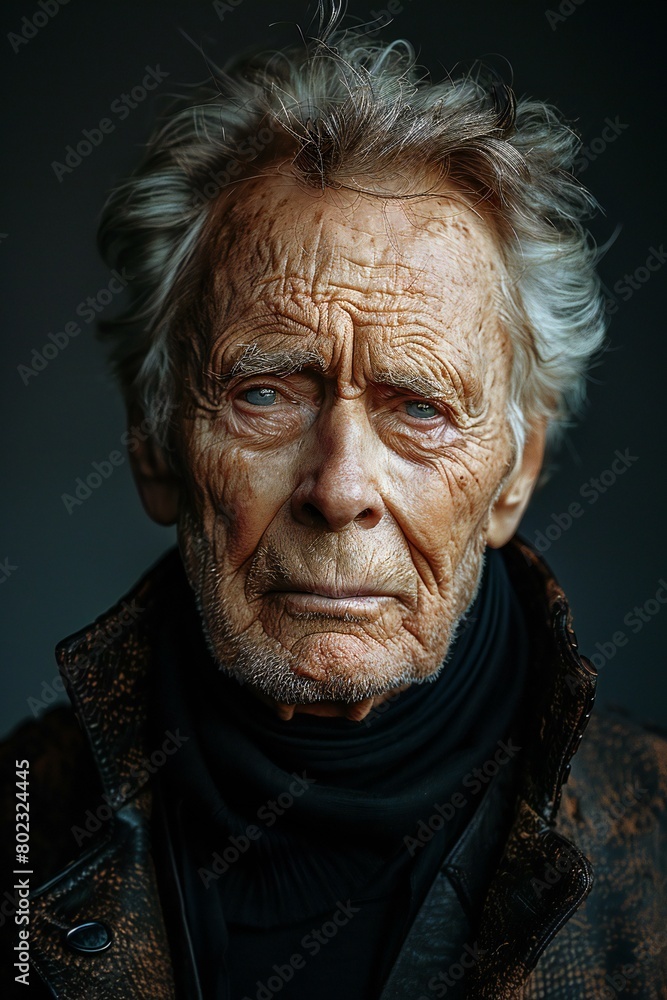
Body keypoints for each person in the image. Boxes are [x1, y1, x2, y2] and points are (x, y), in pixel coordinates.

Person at [1, 5, 666, 997]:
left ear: (515, 473)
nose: (340, 487)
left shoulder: (653, 850)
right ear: (154, 444)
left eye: (421, 407)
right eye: (264, 392)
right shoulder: (20, 823)